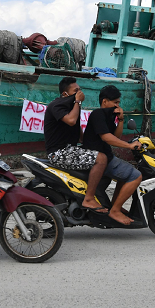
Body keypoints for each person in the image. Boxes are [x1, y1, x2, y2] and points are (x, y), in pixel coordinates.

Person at [43, 77, 109, 214]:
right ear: (65, 94)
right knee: (101, 159)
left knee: (105, 160)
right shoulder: (57, 105)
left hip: (70, 149)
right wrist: (77, 102)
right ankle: (89, 199)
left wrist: (88, 143)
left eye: (80, 90)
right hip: (60, 153)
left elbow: (77, 129)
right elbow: (72, 121)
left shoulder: (72, 106)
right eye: (76, 90)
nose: (80, 93)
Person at [80, 85, 142, 226]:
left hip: (106, 155)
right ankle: (115, 210)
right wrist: (129, 146)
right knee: (135, 175)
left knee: (125, 174)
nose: (117, 106)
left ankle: (115, 206)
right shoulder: (98, 114)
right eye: (115, 102)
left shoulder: (108, 116)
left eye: (119, 103)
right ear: (105, 101)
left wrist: (120, 120)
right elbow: (107, 138)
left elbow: (116, 136)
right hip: (97, 157)